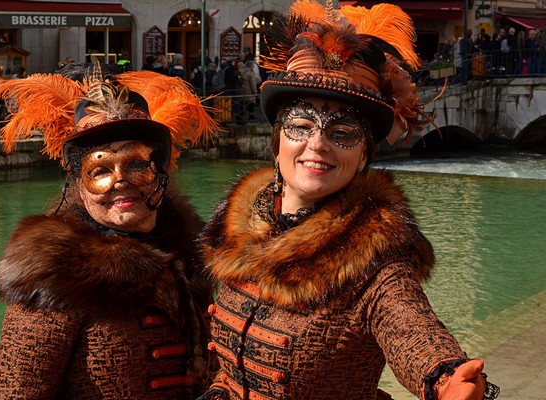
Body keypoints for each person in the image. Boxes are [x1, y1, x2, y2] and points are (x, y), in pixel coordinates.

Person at [197, 2, 500, 400]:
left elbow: (409, 325)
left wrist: (445, 378)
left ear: (362, 158)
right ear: (277, 144)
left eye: (342, 133)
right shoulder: (231, 229)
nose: (317, 144)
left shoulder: (374, 259)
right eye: (301, 126)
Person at [0, 62, 219, 398]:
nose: (120, 183)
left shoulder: (195, 255)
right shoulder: (53, 273)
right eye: (100, 170)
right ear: (79, 185)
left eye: (137, 164)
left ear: (160, 173)